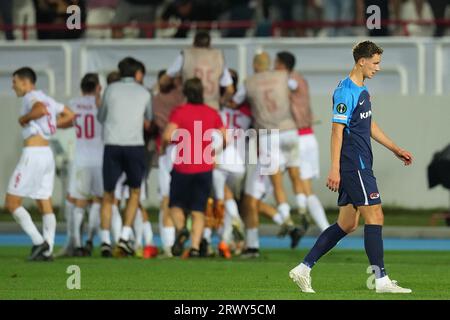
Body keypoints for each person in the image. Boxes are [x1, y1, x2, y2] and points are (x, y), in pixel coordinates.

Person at [289, 40, 414, 294]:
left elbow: (368, 125)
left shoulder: (362, 90)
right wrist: (334, 169)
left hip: (359, 163)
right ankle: (380, 280)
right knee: (375, 216)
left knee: (347, 224)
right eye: (376, 63)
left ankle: (303, 269)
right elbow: (336, 132)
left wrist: (395, 148)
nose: (378, 68)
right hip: (353, 164)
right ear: (362, 61)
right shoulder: (346, 92)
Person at [232, 51, 302, 258]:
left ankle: (285, 220)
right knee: (292, 176)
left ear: (254, 65)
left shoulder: (249, 83)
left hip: (268, 137)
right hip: (290, 131)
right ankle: (293, 213)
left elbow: (236, 101)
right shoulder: (281, 76)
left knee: (253, 197)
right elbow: (295, 86)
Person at [5, 67, 75, 261]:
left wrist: (24, 118)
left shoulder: (31, 97)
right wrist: (51, 125)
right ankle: (48, 249)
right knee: (44, 202)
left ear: (25, 82)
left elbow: (40, 110)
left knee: (11, 203)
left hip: (33, 154)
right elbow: (70, 115)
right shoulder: (48, 98)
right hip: (47, 154)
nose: (13, 86)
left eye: (15, 82)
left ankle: (38, 241)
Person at [161, 77, 226, 258]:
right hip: (204, 168)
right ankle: (196, 247)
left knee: (174, 205)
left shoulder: (180, 112)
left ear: (185, 93)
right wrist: (215, 151)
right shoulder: (211, 113)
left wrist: (165, 146)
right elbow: (226, 137)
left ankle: (182, 229)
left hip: (183, 167)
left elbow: (167, 135)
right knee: (198, 210)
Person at [97, 57, 152, 257]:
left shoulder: (110, 89)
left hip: (112, 144)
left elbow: (101, 116)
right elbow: (149, 118)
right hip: (134, 145)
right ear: (137, 73)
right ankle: (124, 237)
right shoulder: (144, 92)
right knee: (135, 192)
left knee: (108, 193)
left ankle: (104, 240)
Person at [275, 51, 330, 233]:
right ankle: (317, 224)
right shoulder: (302, 80)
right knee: (304, 186)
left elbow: (287, 85)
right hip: (307, 137)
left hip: (297, 137)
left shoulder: (290, 80)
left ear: (282, 65)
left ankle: (324, 229)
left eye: (276, 64)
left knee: (300, 187)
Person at [67, 73, 104, 256]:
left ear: (82, 88)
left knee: (79, 203)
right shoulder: (102, 104)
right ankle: (90, 239)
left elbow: (65, 122)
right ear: (98, 87)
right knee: (99, 200)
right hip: (100, 158)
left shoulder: (74, 104)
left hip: (81, 159)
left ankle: (78, 244)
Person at [152, 70, 184, 257]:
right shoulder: (182, 98)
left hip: (167, 149)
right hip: (186, 149)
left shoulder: (156, 99)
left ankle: (168, 244)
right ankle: (192, 240)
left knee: (166, 198)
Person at [159, 30, 234, 111]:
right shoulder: (218, 57)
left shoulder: (185, 55)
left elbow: (163, 81)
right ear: (210, 44)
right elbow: (230, 90)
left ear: (194, 43)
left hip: (193, 109)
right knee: (211, 124)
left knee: (197, 124)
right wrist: (220, 102)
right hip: (212, 108)